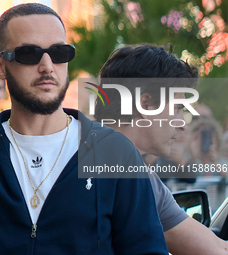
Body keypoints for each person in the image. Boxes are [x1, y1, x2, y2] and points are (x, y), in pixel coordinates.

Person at [0, 1, 168, 254]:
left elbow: (145, 247)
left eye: (59, 53)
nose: (47, 65)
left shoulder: (113, 152)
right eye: (29, 53)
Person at [94, 44, 228, 255]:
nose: (182, 123)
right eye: (177, 109)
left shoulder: (143, 178)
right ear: (146, 104)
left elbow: (216, 248)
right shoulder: (77, 165)